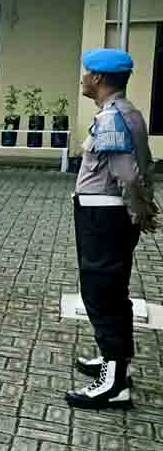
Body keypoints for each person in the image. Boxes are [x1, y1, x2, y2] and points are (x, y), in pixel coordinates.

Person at [66, 48, 157, 411]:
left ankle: (114, 384)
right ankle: (114, 363)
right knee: (112, 291)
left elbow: (127, 175)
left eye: (86, 72)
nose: (83, 78)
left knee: (101, 293)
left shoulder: (112, 118)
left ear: (99, 78)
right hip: (106, 215)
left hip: (104, 217)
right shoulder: (125, 112)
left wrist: (141, 212)